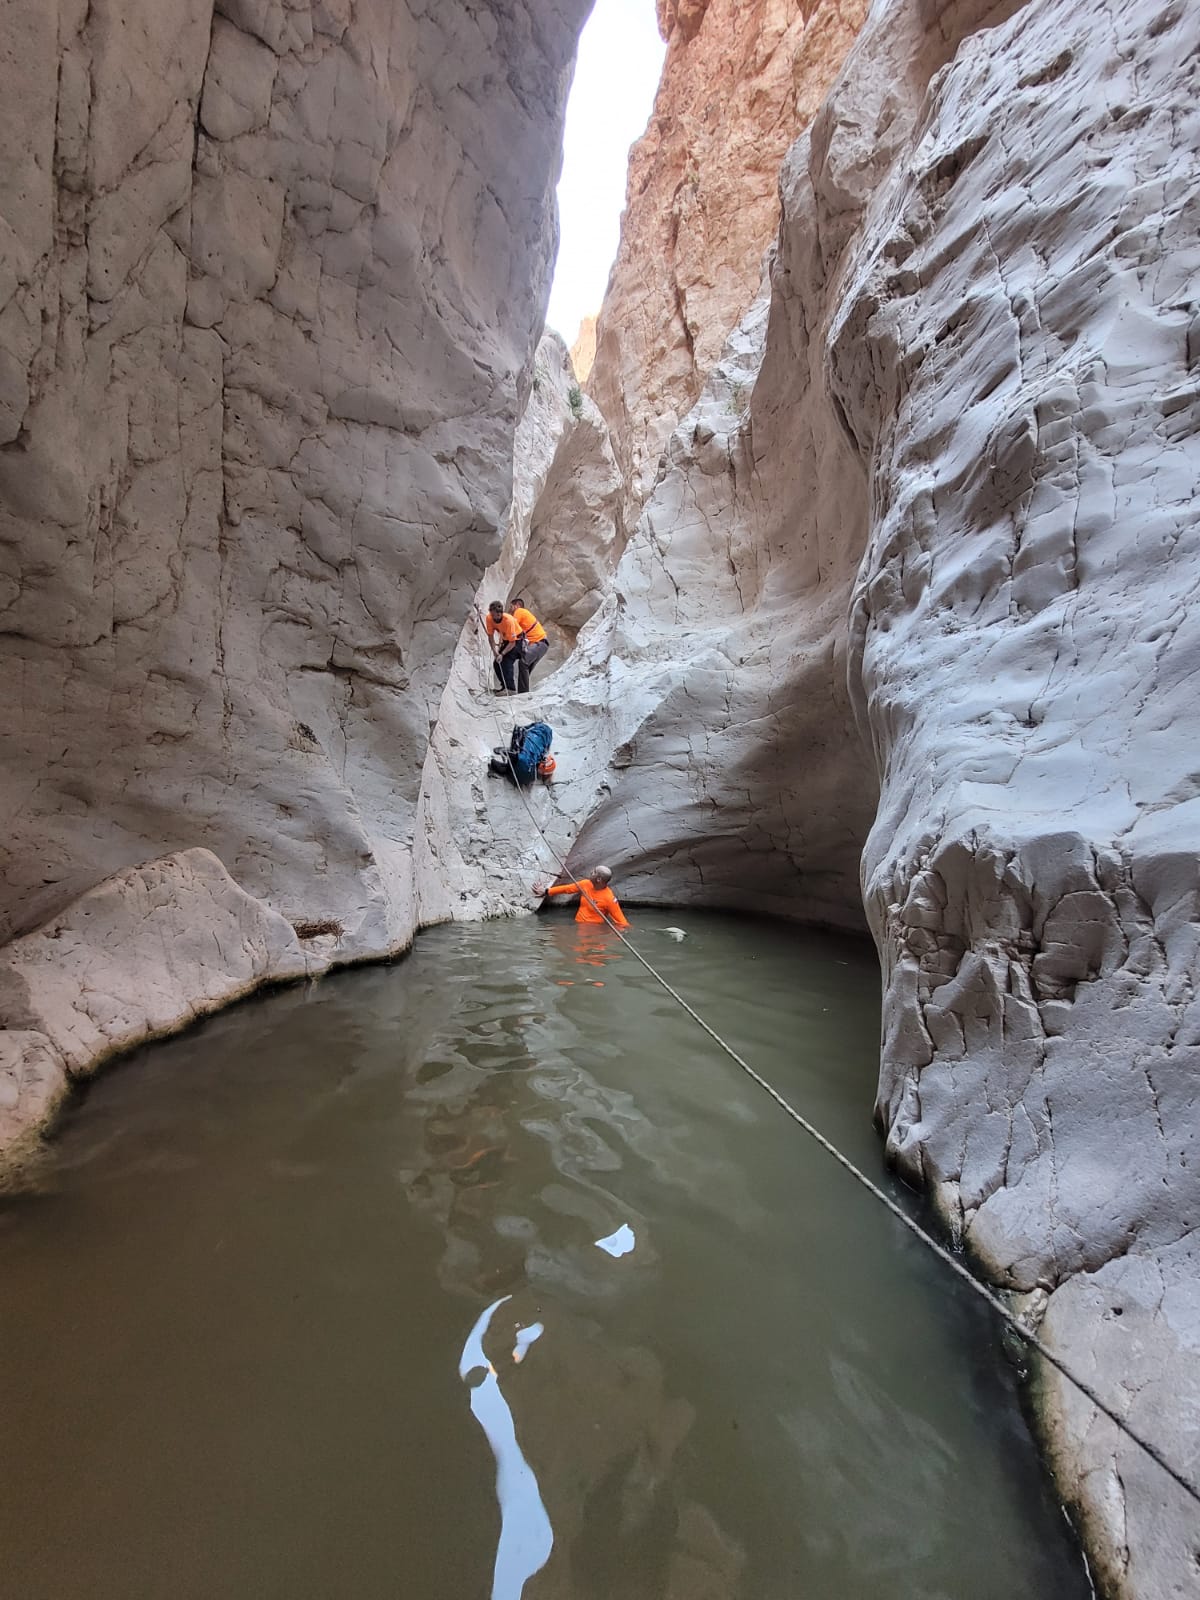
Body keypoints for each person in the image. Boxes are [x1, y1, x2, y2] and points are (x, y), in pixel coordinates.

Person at [533, 865, 630, 928]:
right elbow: (567, 889)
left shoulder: (609, 899)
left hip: (593, 932)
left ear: (599, 879)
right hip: (577, 925)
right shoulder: (585, 884)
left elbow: (623, 923)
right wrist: (546, 891)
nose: (591, 872)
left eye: (594, 872)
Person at [509, 597, 549, 692]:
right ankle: (523, 694)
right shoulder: (523, 616)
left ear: (517, 605)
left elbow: (512, 626)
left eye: (511, 607)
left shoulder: (519, 611)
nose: (510, 609)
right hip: (542, 645)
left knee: (523, 662)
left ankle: (522, 694)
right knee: (525, 668)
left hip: (538, 643)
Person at [484, 600, 523, 692]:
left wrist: (502, 654)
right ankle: (504, 687)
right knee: (497, 663)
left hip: (517, 640)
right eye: (492, 615)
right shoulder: (489, 618)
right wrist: (495, 652)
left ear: (501, 613)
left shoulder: (508, 620)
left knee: (506, 660)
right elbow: (490, 636)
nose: (495, 618)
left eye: (497, 615)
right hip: (506, 640)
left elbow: (512, 643)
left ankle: (510, 688)